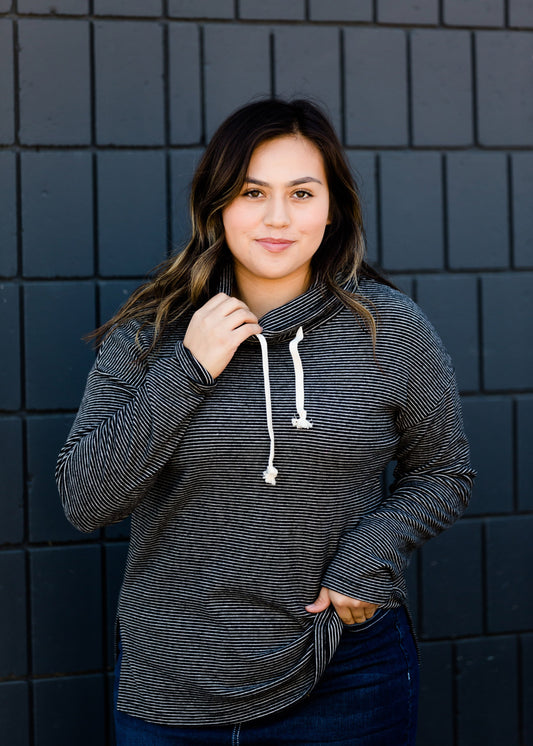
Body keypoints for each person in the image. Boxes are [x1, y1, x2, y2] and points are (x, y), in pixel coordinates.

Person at [56, 98, 475, 745]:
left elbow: (443, 471)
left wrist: (366, 556)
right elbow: (86, 501)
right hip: (172, 686)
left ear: (330, 207)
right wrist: (189, 369)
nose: (277, 217)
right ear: (218, 203)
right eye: (253, 192)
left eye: (300, 193)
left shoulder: (388, 327)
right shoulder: (152, 334)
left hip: (345, 673)